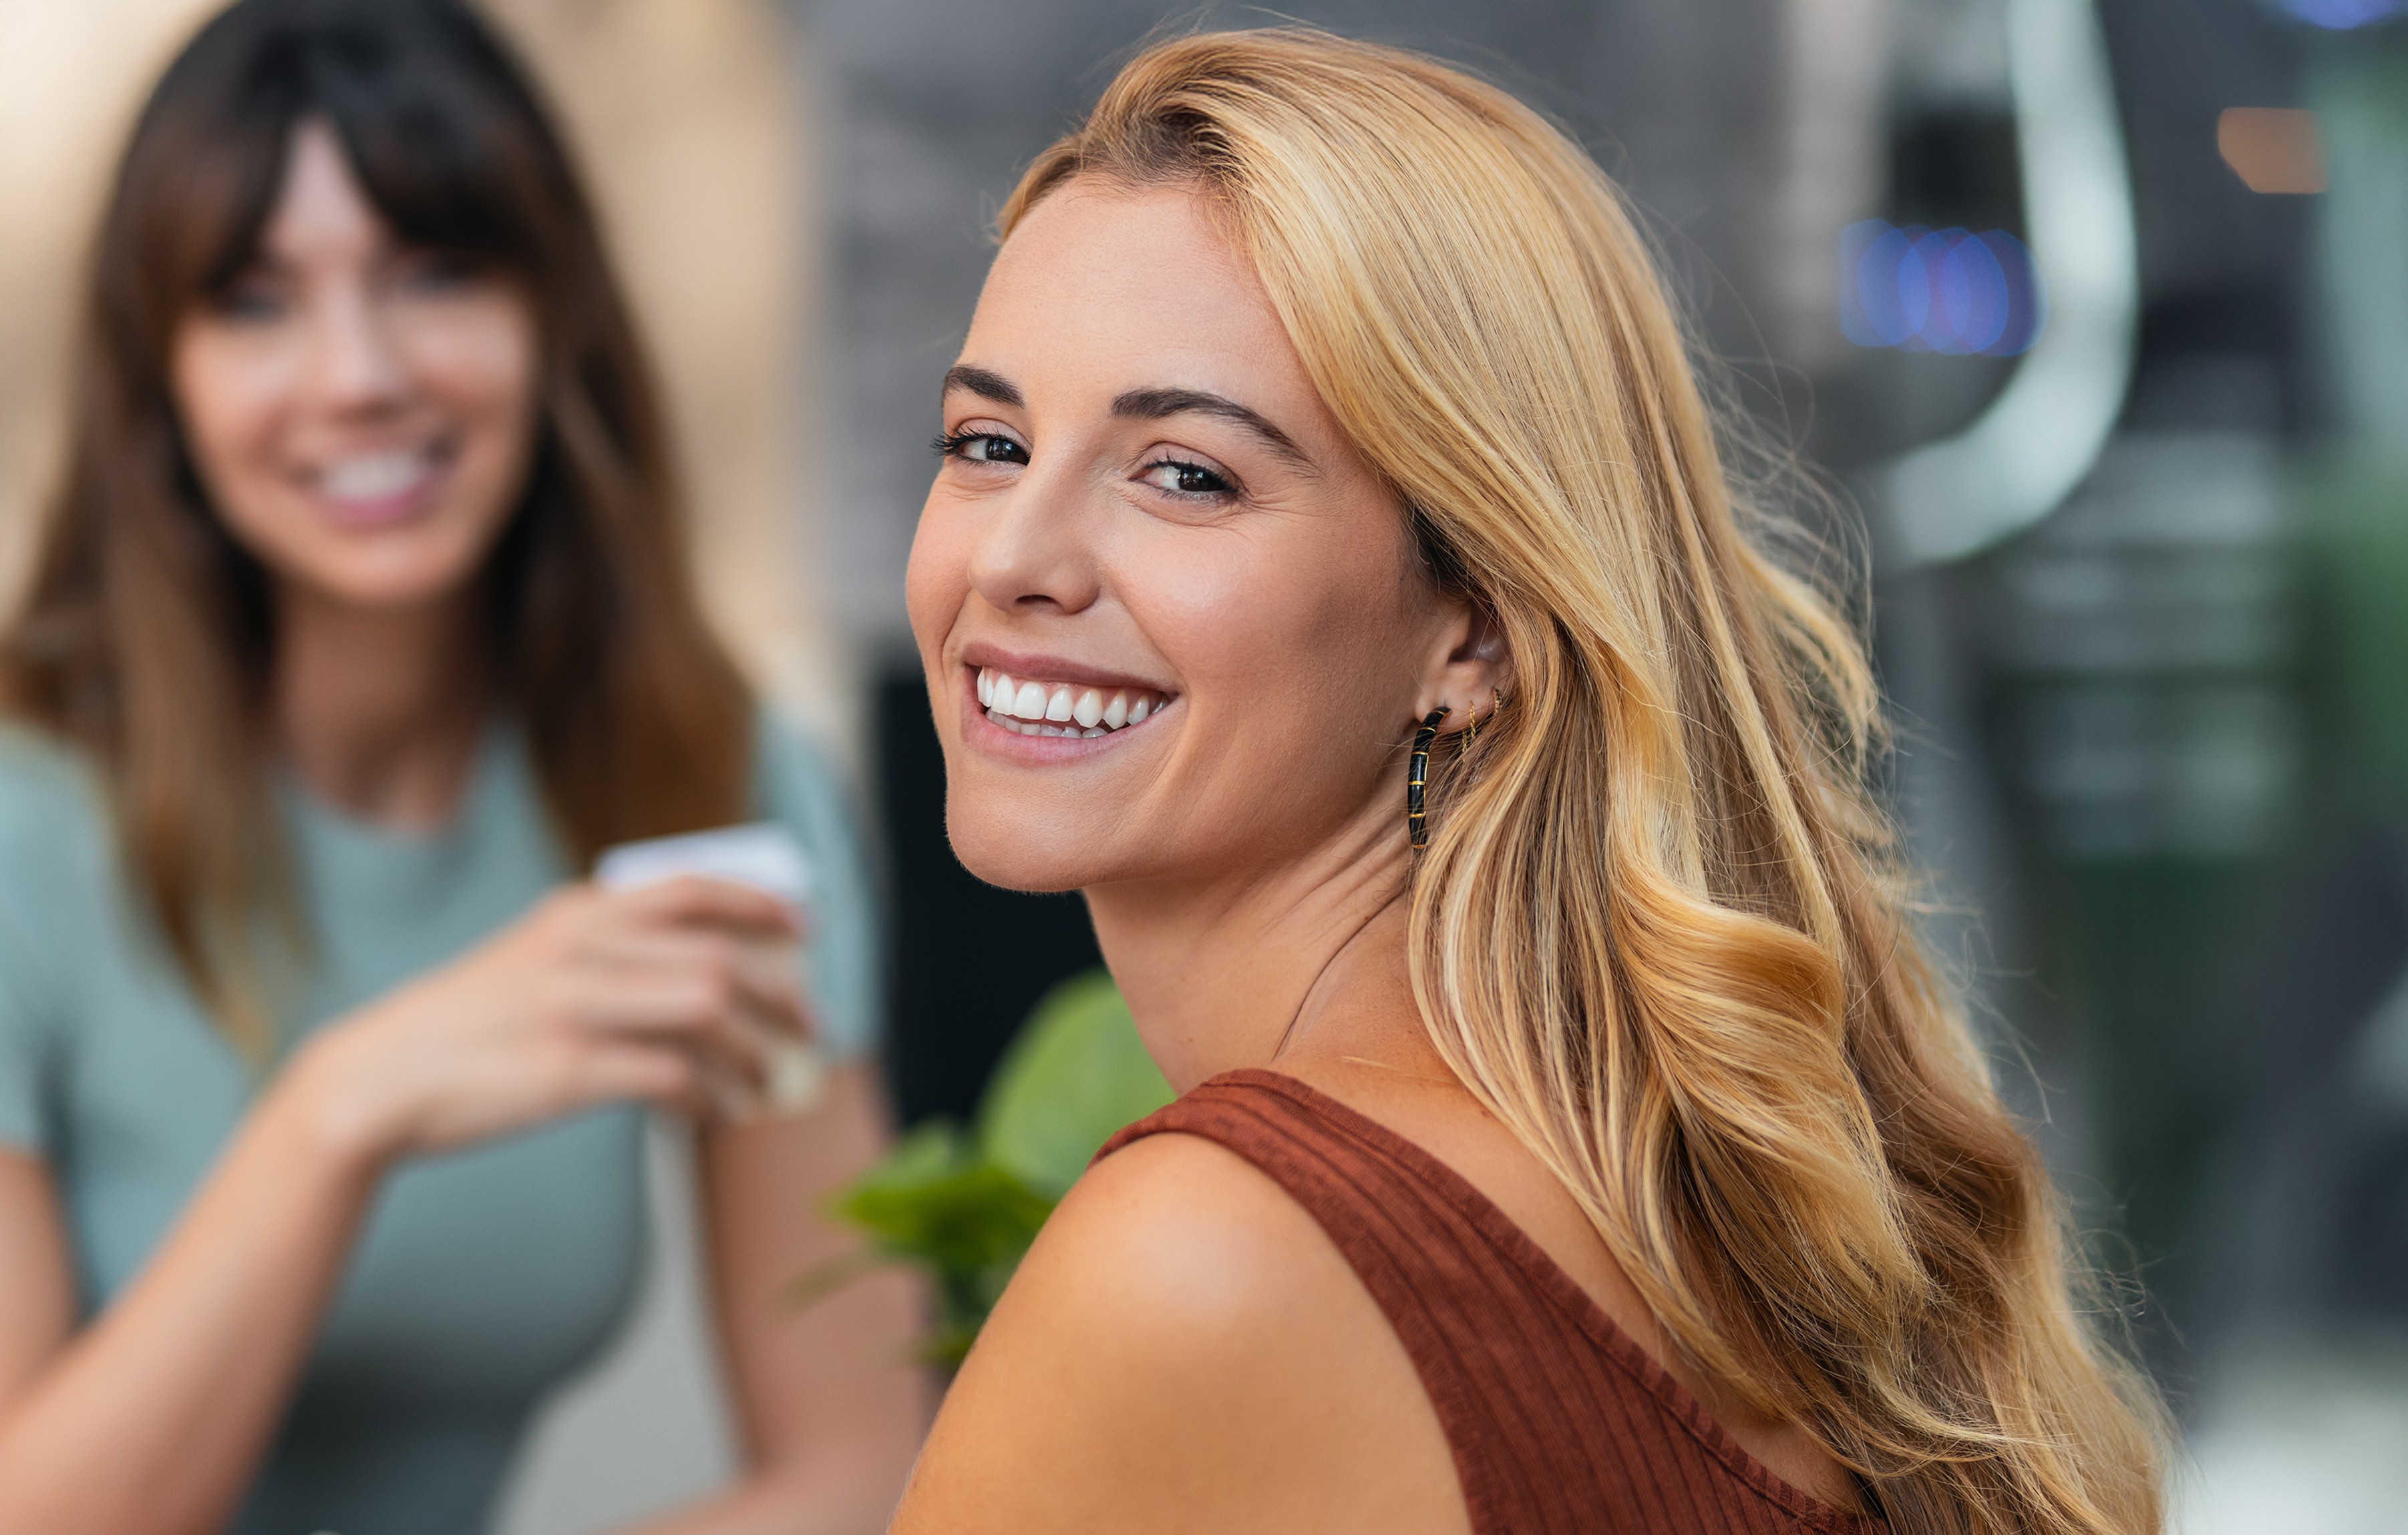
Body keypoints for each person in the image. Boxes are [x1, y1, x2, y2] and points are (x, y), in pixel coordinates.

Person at [893, 27, 2169, 1535]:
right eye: (987, 442)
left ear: (1478, 625)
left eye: (1187, 473)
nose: (1015, 561)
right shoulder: (1674, 1207)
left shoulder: (1212, 1255)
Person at [0, 3, 923, 1533]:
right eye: (255, 300)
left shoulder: (709, 778)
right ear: (156, 379)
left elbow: (858, 1469)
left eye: (437, 273)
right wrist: (341, 1115)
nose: (360, 375)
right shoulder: (20, 823)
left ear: (555, 316)